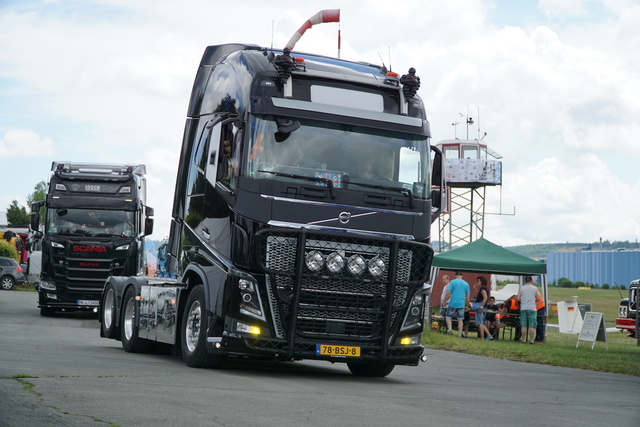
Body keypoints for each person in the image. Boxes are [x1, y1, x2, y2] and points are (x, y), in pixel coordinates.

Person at [444, 271, 471, 338]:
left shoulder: (452, 282)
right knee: (460, 319)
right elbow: (468, 296)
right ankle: (459, 333)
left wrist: (444, 301)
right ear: (462, 276)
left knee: (448, 317)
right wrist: (467, 305)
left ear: (455, 276)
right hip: (461, 303)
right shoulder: (466, 284)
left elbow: (448, 293)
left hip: (453, 302)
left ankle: (450, 329)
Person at [517, 276, 542, 344]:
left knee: (524, 325)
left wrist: (523, 300)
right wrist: (533, 300)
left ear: (525, 281)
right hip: (532, 308)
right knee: (531, 325)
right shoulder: (534, 288)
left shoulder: (521, 288)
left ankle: (523, 339)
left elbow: (518, 298)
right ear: (531, 281)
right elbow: (538, 298)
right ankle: (531, 340)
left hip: (524, 308)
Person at [472, 276, 493, 340]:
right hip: (484, 307)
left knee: (480, 323)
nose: (477, 282)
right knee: (481, 322)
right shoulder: (485, 288)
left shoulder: (482, 288)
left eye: (478, 281)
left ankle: (482, 337)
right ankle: (489, 335)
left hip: (481, 307)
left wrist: (481, 306)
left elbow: (485, 297)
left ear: (481, 281)